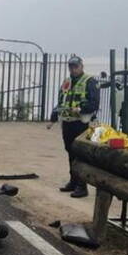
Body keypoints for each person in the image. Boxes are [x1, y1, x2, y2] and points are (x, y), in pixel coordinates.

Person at [50, 56, 100, 198]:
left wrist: (81, 109)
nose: (73, 69)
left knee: (80, 153)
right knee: (70, 151)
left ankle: (82, 186)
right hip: (68, 121)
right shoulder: (67, 82)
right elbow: (61, 100)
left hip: (82, 123)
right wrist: (53, 117)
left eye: (75, 66)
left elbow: (94, 103)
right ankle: (73, 181)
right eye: (71, 66)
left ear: (81, 66)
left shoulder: (90, 81)